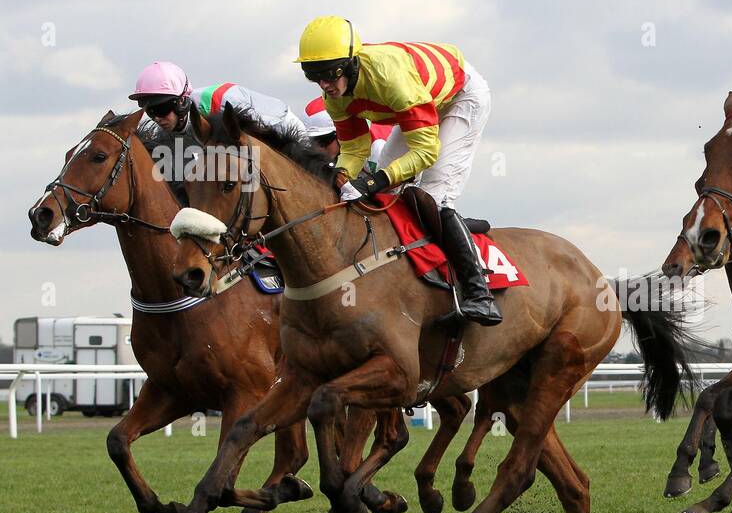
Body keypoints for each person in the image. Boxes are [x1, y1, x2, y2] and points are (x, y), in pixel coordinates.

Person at [294, 16, 500, 326]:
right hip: (420, 102)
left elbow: (426, 151)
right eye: (315, 78)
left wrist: (374, 180)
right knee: (387, 192)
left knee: (434, 194)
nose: (324, 85)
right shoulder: (334, 96)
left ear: (350, 65)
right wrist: (339, 177)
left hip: (460, 98)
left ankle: (479, 294)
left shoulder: (390, 78)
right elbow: (354, 149)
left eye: (329, 76)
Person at [129, 62, 305, 136]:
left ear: (181, 101)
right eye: (151, 112)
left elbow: (265, 140)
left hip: (282, 129)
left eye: (161, 109)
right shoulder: (164, 133)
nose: (157, 118)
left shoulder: (222, 100)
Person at [303, 96, 394, 168]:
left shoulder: (377, 147)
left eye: (323, 141)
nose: (318, 148)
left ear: (342, 135)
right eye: (312, 141)